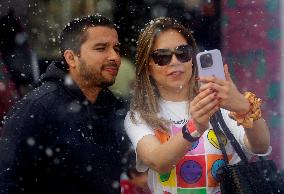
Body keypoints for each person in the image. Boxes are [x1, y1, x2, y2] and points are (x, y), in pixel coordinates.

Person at [124, 17, 271, 194]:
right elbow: (158, 161)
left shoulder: (220, 100)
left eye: (182, 53)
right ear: (147, 67)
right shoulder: (139, 116)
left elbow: (260, 146)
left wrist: (245, 108)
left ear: (192, 59)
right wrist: (194, 127)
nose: (174, 61)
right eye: (162, 57)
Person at [0, 15, 126, 194]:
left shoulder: (113, 107)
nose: (115, 57)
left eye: (117, 48)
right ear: (71, 58)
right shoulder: (37, 107)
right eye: (101, 48)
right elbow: (7, 181)